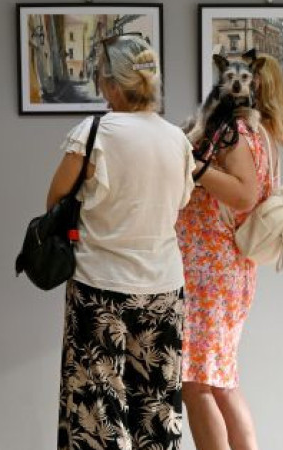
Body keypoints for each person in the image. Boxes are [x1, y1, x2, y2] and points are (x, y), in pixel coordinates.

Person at [45, 34, 195, 450]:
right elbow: (180, 203)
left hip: (100, 287)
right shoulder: (177, 139)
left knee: (98, 413)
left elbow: (55, 201)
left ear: (111, 83)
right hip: (164, 290)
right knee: (157, 411)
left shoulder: (94, 133)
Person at [176, 53, 283, 450]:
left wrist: (195, 167)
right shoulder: (260, 134)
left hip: (211, 272)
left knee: (197, 384)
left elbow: (244, 194)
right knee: (220, 381)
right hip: (226, 270)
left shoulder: (235, 133)